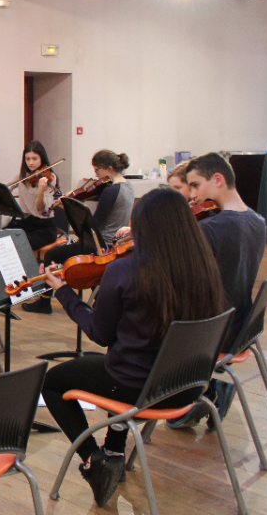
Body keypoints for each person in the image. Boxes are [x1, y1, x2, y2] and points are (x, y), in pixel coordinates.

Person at [40, 187, 227, 507]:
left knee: (53, 381)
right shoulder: (203, 266)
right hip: (188, 386)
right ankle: (114, 450)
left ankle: (94, 461)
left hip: (139, 388)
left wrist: (64, 293)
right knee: (124, 354)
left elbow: (99, 332)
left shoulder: (124, 270)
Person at [167, 152, 267, 429]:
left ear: (218, 179)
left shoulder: (212, 228)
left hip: (211, 334)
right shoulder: (258, 221)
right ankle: (210, 386)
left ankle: (197, 393)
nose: (193, 195)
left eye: (196, 185)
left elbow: (181, 281)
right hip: (238, 326)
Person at [22, 150, 134, 314]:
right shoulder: (127, 185)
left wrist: (69, 208)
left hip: (100, 244)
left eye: (97, 170)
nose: (96, 175)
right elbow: (98, 196)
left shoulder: (110, 191)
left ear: (109, 168)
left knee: (52, 255)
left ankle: (44, 302)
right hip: (115, 244)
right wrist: (74, 198)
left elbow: (95, 224)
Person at [7, 141, 61, 251]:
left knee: (20, 245)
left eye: (34, 159)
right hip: (25, 223)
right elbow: (5, 187)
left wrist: (41, 191)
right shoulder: (22, 175)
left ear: (42, 159)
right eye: (28, 159)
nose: (31, 163)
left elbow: (40, 208)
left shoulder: (50, 177)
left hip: (43, 227)